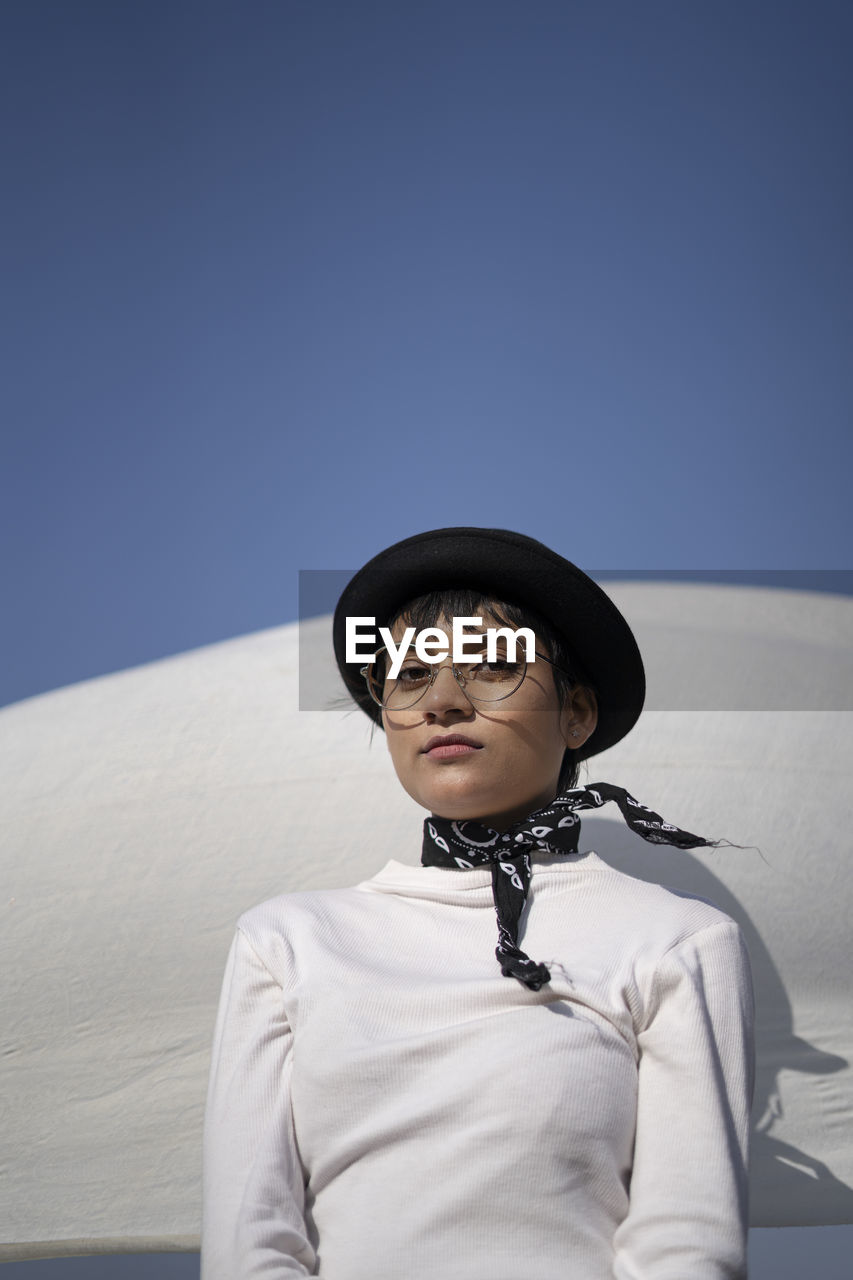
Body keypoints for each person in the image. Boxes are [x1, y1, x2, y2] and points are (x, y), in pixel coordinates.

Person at [201, 526, 755, 1279]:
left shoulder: (677, 941)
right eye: (407, 676)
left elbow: (686, 1249)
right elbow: (249, 1242)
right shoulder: (287, 941)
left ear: (577, 714)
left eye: (493, 667)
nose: (444, 702)